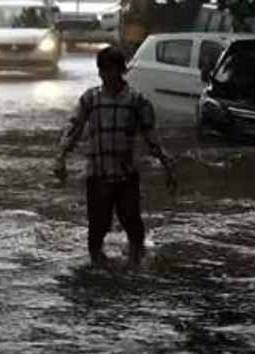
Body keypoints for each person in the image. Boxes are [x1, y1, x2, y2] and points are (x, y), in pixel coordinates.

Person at [54, 45, 176, 268]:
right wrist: (61, 157)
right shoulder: (90, 99)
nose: (105, 75)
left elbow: (151, 137)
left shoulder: (137, 101)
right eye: (102, 70)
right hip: (98, 174)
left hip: (125, 175)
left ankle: (135, 266)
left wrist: (167, 165)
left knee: (132, 223)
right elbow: (74, 128)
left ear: (121, 70)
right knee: (97, 227)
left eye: (110, 70)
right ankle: (97, 268)